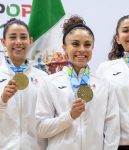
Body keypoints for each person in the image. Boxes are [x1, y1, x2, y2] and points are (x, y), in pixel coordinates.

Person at [35, 15, 120, 150]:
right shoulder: (49, 82)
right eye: (75, 44)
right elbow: (41, 129)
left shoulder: (105, 84)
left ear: (93, 47)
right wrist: (69, 116)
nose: (81, 49)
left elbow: (112, 128)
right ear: (64, 47)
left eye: (87, 45)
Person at [96, 15, 129, 150]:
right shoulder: (105, 69)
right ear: (118, 39)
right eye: (126, 30)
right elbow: (97, 111)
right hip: (116, 146)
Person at [0, 18, 47, 150]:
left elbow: (47, 118)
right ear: (3, 42)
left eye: (23, 37)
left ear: (30, 41)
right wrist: (2, 101)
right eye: (13, 37)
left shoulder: (43, 77)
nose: (18, 42)